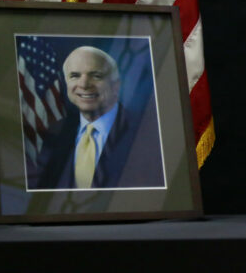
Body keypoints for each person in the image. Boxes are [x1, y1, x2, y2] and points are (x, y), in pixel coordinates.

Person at [32, 46, 165, 189]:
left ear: (116, 86)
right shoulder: (55, 130)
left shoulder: (146, 136)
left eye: (96, 76)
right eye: (75, 76)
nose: (83, 84)